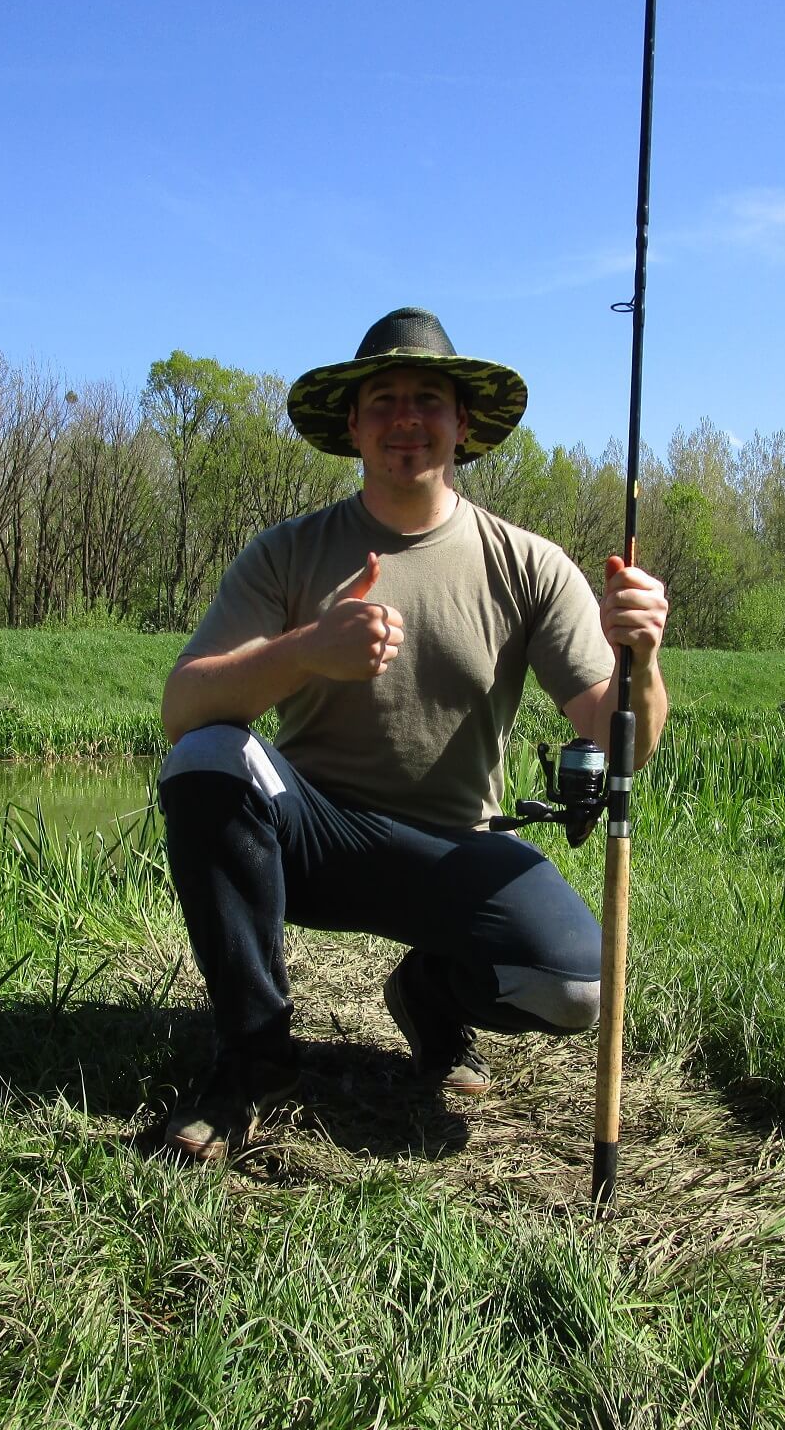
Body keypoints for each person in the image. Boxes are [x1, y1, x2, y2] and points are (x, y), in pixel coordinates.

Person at [157, 307, 669, 1162]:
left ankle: (430, 994)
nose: (406, 418)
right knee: (206, 757)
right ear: (352, 425)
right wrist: (308, 651)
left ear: (462, 425)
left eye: (428, 399)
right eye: (384, 398)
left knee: (578, 985)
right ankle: (253, 1056)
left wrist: (644, 660)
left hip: (455, 852)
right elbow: (182, 706)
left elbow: (624, 745)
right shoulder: (287, 553)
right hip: (308, 838)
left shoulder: (531, 565)